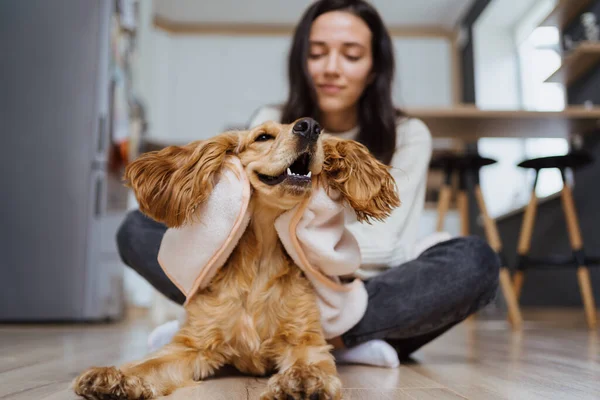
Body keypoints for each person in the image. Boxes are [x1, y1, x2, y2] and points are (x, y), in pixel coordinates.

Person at [117, 0, 500, 368]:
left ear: (374, 67)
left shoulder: (409, 134)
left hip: (355, 288)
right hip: (254, 282)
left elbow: (388, 246)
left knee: (473, 263)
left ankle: (266, 342)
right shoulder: (269, 118)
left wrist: (291, 239)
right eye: (317, 53)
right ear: (301, 61)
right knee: (137, 230)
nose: (331, 68)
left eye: (351, 55)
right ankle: (242, 329)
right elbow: (230, 221)